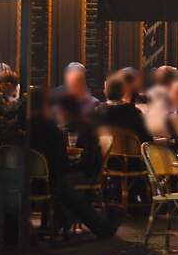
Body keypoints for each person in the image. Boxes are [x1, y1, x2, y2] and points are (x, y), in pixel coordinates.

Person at [34, 94, 117, 239]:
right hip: (55, 176)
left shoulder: (83, 129)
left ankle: (62, 221)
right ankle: (66, 222)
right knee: (64, 185)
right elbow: (61, 163)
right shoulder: (55, 130)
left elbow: (87, 160)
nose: (56, 113)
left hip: (81, 171)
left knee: (64, 184)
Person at [92, 76, 152, 143]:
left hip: (104, 153)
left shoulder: (96, 113)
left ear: (105, 92)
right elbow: (147, 140)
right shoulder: (134, 113)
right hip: (132, 153)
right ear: (123, 92)